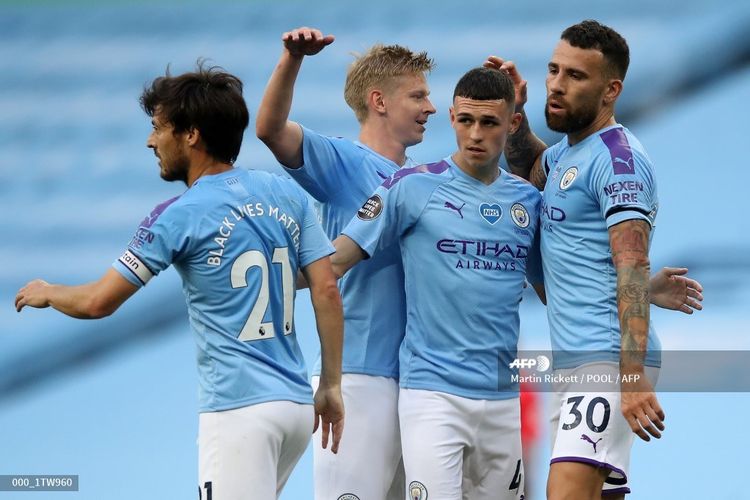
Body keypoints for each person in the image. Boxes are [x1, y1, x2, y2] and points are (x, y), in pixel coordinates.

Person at [14, 63, 345, 500]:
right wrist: (331, 384)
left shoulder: (178, 214)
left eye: (158, 128)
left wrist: (48, 292)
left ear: (191, 135)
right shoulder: (284, 193)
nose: (151, 141)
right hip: (295, 407)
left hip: (238, 412)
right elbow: (325, 287)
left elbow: (99, 302)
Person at [486, 19, 703, 499]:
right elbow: (529, 172)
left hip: (606, 362)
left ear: (611, 90)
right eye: (553, 70)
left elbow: (631, 267)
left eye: (575, 76)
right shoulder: (568, 153)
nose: (557, 85)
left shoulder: (618, 160)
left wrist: (631, 378)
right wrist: (517, 115)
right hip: (577, 360)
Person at [331, 66, 537, 500]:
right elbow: (334, 262)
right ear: (451, 118)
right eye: (466, 121)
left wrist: (643, 290)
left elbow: (558, 288)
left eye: (489, 122)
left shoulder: (528, 202)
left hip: (503, 400)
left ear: (513, 123)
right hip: (433, 395)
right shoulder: (411, 187)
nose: (475, 134)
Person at [255, 26, 435, 500]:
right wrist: (292, 58)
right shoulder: (343, 160)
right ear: (379, 101)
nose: (430, 107)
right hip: (358, 377)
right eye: (418, 95)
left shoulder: (419, 182)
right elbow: (270, 130)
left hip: (416, 382)